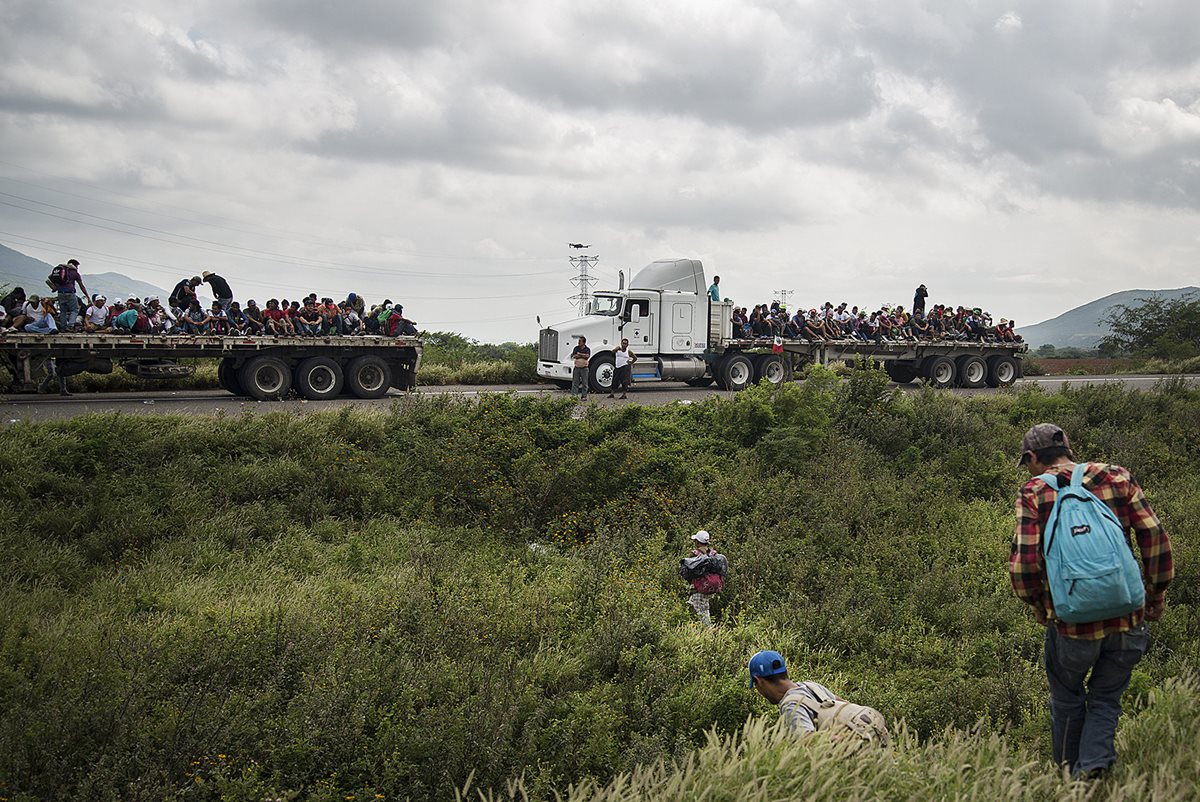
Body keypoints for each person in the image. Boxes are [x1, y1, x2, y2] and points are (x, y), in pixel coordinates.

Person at [1012, 424, 1174, 780]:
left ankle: (1071, 780)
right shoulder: (1117, 477)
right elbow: (1154, 539)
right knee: (1106, 698)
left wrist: (1039, 604)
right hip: (1128, 615)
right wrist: (1155, 593)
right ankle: (1095, 765)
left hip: (1070, 623)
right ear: (1069, 449)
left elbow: (1024, 565)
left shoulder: (1034, 491)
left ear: (1032, 458)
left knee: (1067, 699)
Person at [748, 650, 890, 748]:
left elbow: (808, 740)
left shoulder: (791, 706)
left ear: (758, 681)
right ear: (785, 671)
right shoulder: (812, 686)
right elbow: (845, 705)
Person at [682, 530, 725, 628]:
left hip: (699, 589)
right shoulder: (713, 554)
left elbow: (688, 572)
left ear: (697, 542)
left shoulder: (695, 554)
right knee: (690, 606)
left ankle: (710, 633)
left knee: (703, 613)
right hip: (711, 588)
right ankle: (690, 628)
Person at [49, 259, 88, 331]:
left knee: (62, 311)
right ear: (75, 265)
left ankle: (63, 328)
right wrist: (88, 297)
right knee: (75, 310)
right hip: (70, 292)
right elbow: (81, 286)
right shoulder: (74, 272)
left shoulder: (61, 269)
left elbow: (50, 277)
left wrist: (56, 286)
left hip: (60, 293)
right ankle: (70, 326)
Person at [569, 336, 590, 401]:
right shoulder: (576, 348)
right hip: (577, 367)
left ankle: (584, 396)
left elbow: (587, 356)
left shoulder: (587, 349)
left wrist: (580, 354)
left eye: (580, 341)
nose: (578, 342)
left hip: (584, 368)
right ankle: (574, 395)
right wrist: (582, 355)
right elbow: (574, 356)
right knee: (575, 382)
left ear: (584, 342)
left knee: (585, 383)